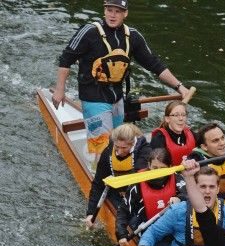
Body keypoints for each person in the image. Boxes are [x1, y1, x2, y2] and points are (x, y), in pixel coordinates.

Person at [53, 0, 191, 163]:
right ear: (104, 11)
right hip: (93, 96)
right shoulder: (89, 32)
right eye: (109, 10)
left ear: (125, 13)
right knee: (104, 146)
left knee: (118, 141)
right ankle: (98, 173)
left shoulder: (133, 36)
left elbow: (154, 64)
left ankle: (119, 168)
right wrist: (59, 89)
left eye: (117, 11)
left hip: (117, 97)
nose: (113, 15)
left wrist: (179, 86)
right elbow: (66, 60)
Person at [85, 122, 151, 229]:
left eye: (124, 148)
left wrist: (116, 180)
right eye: (117, 146)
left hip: (138, 194)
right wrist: (90, 213)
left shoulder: (145, 151)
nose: (119, 152)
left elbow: (137, 177)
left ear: (132, 143)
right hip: (117, 194)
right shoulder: (107, 153)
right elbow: (98, 184)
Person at [116, 148, 180, 246]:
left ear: (169, 167)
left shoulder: (177, 178)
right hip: (148, 229)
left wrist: (179, 197)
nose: (158, 172)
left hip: (175, 229)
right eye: (155, 168)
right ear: (149, 165)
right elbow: (124, 210)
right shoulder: (137, 184)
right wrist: (121, 233)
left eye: (162, 168)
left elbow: (190, 196)